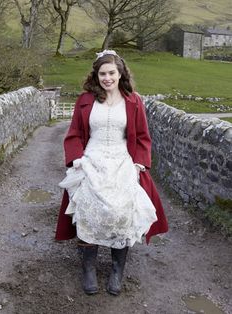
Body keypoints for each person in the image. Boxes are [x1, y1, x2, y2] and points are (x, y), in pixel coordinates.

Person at [55, 49, 168, 296]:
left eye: (111, 73)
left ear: (120, 73)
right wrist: (76, 159)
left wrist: (139, 163)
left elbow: (142, 137)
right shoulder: (85, 99)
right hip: (91, 160)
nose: (107, 78)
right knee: (87, 212)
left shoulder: (133, 100)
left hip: (122, 161)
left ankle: (117, 270)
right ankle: (88, 269)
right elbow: (74, 133)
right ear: (96, 76)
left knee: (121, 212)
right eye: (102, 74)